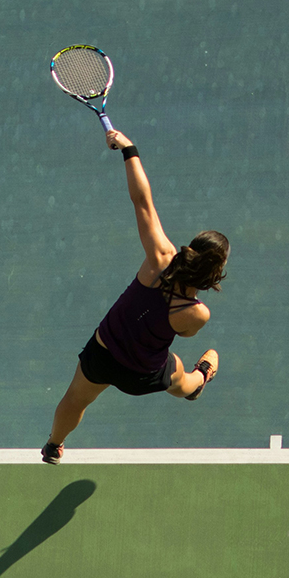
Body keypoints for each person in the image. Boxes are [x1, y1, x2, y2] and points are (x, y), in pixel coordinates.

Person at [42, 129, 228, 464]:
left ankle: (54, 445)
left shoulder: (160, 256)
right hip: (140, 374)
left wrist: (129, 150)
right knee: (181, 378)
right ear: (214, 274)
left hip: (104, 350)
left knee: (75, 400)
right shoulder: (198, 313)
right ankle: (200, 380)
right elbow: (182, 332)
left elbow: (142, 201)